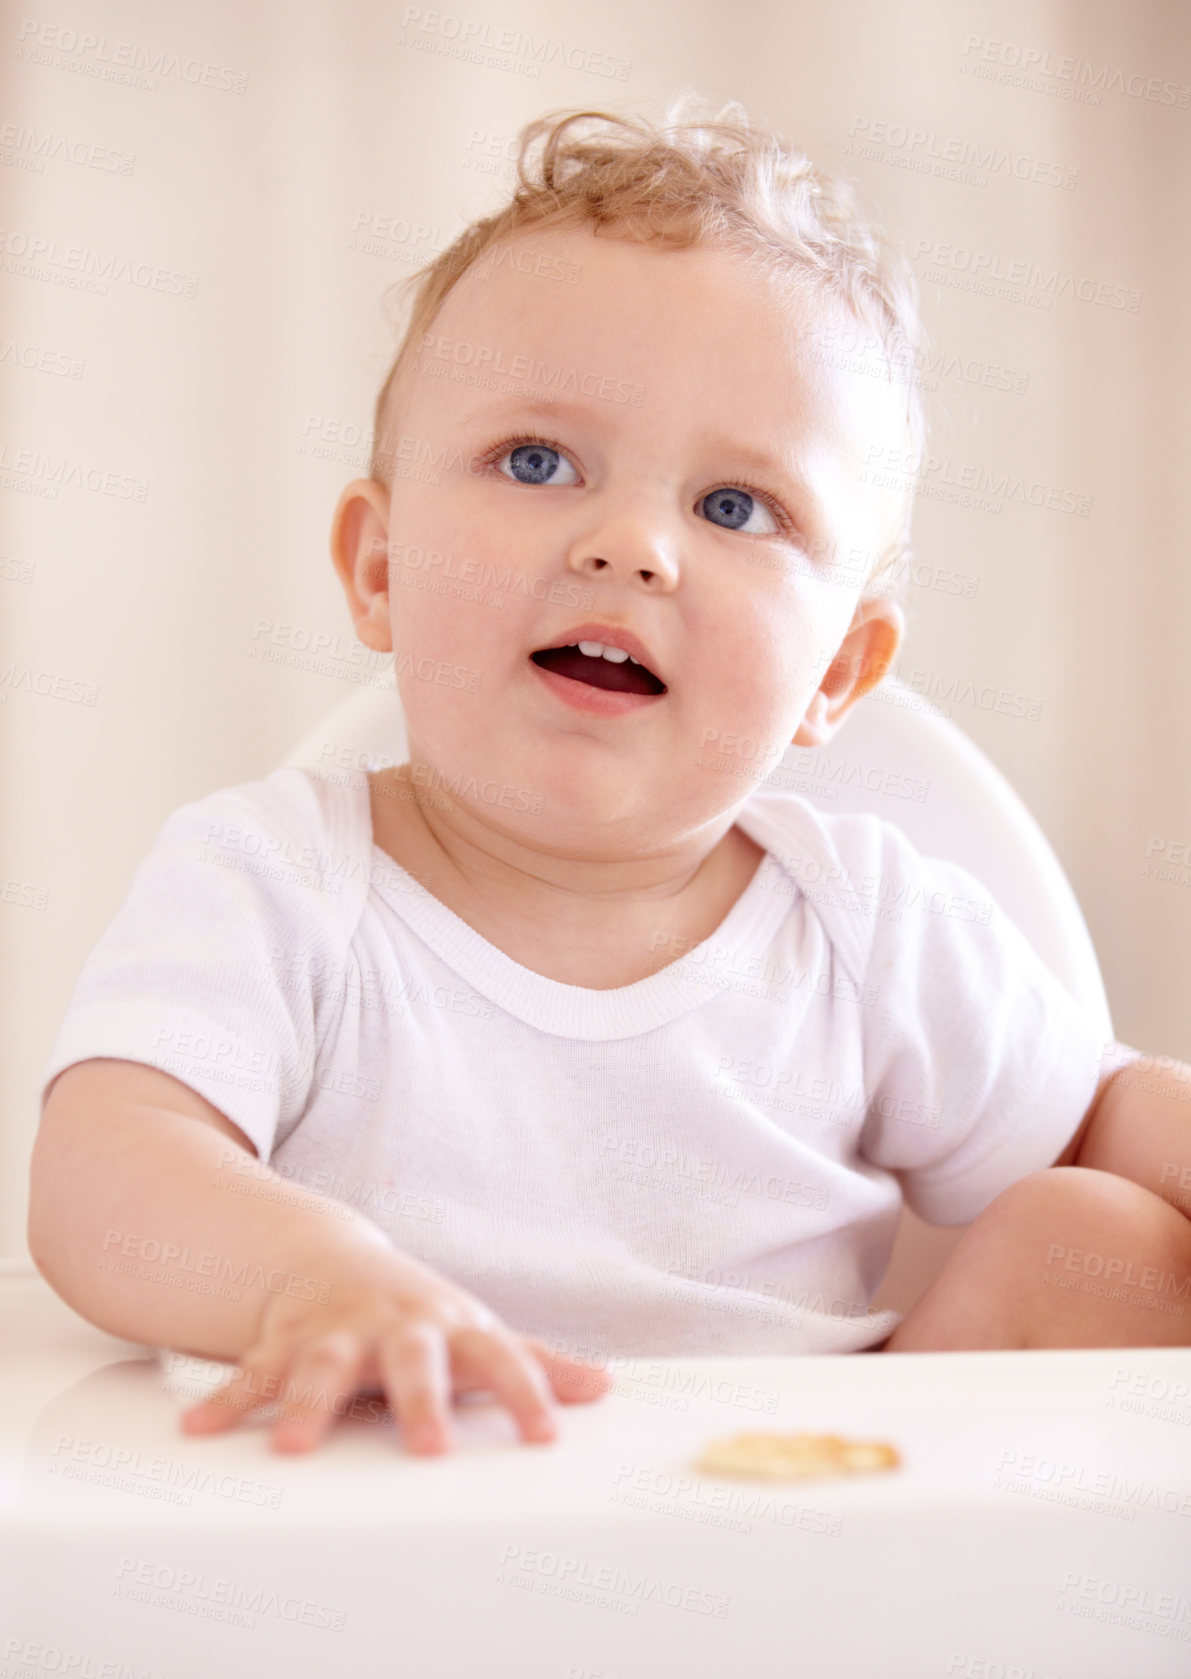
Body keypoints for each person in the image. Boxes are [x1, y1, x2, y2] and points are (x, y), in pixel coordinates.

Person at [28, 95, 1191, 1458]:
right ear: (380, 568)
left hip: (807, 1521)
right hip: (398, 1517)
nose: (632, 544)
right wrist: (305, 1280)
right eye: (538, 461)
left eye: (735, 506)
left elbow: (1098, 1107)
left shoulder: (865, 928)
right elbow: (101, 1167)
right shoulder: (278, 880)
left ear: (838, 674)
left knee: (1095, 1233)